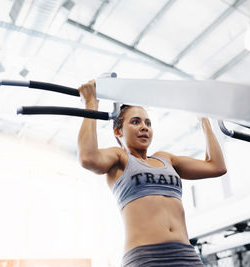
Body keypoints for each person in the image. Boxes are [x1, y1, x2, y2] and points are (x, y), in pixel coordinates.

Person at [77, 80, 227, 267]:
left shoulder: (166, 159)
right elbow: (87, 158)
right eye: (135, 122)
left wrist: (204, 119)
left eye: (148, 123)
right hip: (145, 257)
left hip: (187, 256)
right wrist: (91, 104)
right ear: (118, 131)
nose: (144, 127)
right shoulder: (119, 157)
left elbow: (217, 166)